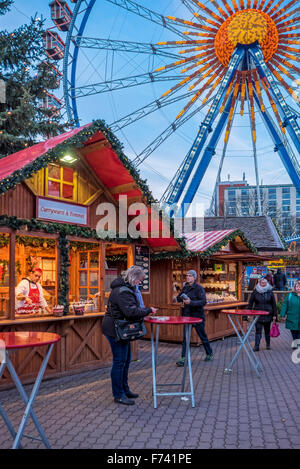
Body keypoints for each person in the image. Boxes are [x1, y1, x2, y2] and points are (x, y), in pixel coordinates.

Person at [102, 265, 157, 406]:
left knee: (125, 361)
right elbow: (131, 312)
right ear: (133, 278)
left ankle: (125, 390)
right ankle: (118, 394)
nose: (140, 283)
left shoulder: (123, 288)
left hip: (120, 329)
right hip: (116, 330)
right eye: (139, 280)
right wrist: (148, 310)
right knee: (120, 362)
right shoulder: (123, 292)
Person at [176, 270, 213, 366]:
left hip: (197, 316)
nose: (188, 277)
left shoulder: (199, 288)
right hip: (187, 316)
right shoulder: (185, 288)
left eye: (190, 276)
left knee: (202, 336)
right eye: (187, 276)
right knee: (185, 338)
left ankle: (209, 353)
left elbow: (203, 302)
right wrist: (178, 297)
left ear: (194, 277)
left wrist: (191, 302)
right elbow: (179, 298)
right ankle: (183, 358)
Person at [248, 278, 277, 351]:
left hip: (268, 314)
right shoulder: (255, 292)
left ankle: (268, 344)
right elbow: (251, 303)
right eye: (262, 283)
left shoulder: (270, 292)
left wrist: (274, 315)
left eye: (265, 283)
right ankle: (256, 346)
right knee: (258, 330)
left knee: (267, 330)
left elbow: (273, 304)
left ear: (267, 283)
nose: (263, 284)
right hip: (258, 314)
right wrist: (249, 312)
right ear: (259, 283)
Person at [280, 280, 300, 349]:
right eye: (297, 286)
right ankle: (295, 342)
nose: (299, 288)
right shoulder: (290, 295)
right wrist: (282, 314)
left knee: (299, 332)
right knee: (293, 331)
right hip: (292, 317)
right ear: (295, 287)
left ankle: (297, 343)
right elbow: (285, 305)